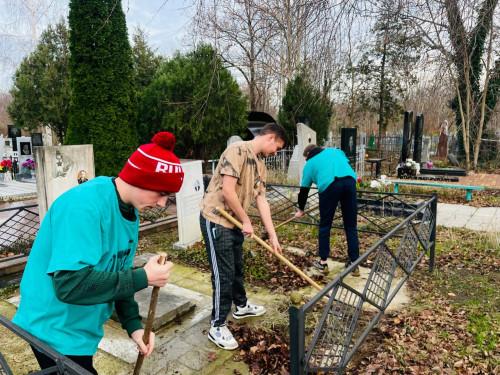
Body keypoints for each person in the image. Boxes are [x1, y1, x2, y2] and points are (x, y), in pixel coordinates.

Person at [13, 132, 184, 374]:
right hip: (52, 328)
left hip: (82, 329)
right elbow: (69, 284)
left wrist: (134, 326)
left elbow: (118, 270)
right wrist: (143, 277)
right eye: (161, 193)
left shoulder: (129, 211)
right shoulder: (83, 206)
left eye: (169, 197)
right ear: (139, 179)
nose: (162, 204)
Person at [199, 123, 286, 350]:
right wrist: (246, 221)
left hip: (235, 220)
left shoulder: (259, 165)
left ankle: (241, 306)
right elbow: (227, 192)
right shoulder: (237, 150)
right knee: (223, 274)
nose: (275, 153)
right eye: (276, 147)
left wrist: (273, 236)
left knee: (237, 267)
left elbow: (261, 200)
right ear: (270, 137)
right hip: (217, 218)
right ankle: (217, 325)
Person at [293, 144, 360, 276]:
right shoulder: (336, 151)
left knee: (325, 225)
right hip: (350, 182)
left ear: (307, 155)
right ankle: (354, 264)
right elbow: (344, 163)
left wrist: (301, 209)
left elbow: (304, 190)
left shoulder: (309, 163)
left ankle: (323, 263)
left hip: (329, 186)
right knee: (351, 226)